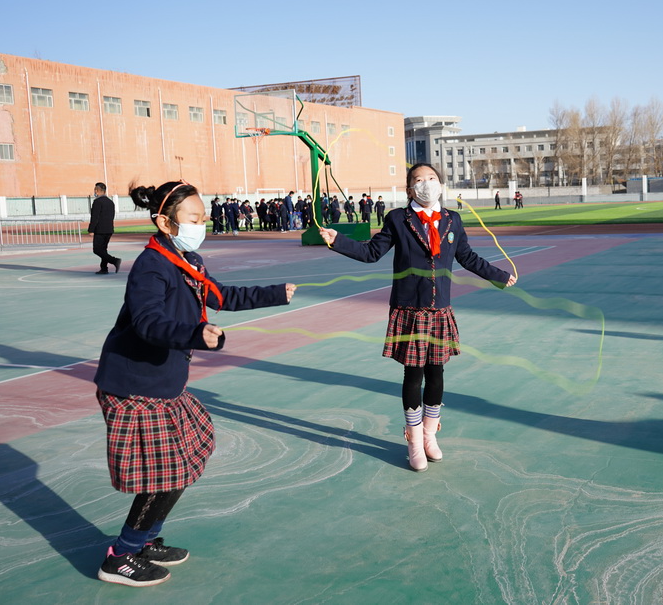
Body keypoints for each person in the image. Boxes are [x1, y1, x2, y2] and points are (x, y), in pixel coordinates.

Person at [93, 180, 296, 587]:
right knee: (166, 472)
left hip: (163, 381)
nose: (200, 225)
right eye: (193, 218)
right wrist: (194, 334)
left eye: (202, 218)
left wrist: (276, 293)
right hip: (135, 383)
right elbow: (148, 322)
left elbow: (220, 296)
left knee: (188, 456)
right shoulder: (152, 266)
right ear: (166, 223)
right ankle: (122, 555)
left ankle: (145, 539)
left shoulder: (189, 261)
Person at [318, 164, 516, 472]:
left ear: (441, 184)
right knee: (413, 375)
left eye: (431, 179)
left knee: (436, 373)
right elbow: (372, 252)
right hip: (409, 308)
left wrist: (498, 276)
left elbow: (468, 257)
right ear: (410, 189)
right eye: (418, 180)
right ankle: (412, 439)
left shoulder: (453, 220)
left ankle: (429, 435)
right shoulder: (398, 219)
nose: (426, 184)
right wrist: (337, 240)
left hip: (439, 309)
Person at [88, 182, 121, 274]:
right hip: (109, 229)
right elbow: (112, 216)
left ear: (97, 191)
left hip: (100, 230)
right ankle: (104, 268)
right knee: (103, 250)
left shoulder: (97, 202)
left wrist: (91, 229)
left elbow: (95, 217)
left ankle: (115, 261)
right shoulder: (111, 202)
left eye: (95, 190)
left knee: (97, 250)